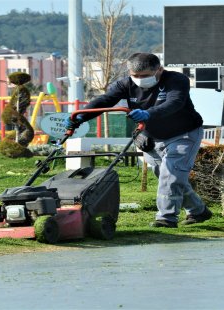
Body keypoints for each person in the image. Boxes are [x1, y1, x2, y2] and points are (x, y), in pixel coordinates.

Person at [65, 52, 211, 228]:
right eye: (135, 76)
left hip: (183, 134)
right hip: (151, 137)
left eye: (145, 76)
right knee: (166, 175)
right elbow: (105, 100)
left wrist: (148, 113)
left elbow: (175, 103)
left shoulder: (177, 80)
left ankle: (166, 218)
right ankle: (198, 211)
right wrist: (81, 116)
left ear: (159, 70)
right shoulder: (125, 84)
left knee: (171, 175)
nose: (140, 79)